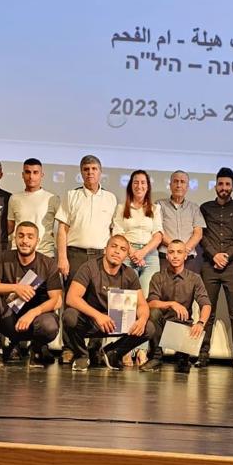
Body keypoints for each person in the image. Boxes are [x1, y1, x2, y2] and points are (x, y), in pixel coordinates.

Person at [55, 154, 118, 361]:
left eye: (94, 169)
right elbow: (62, 229)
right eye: (86, 169)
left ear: (100, 172)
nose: (90, 172)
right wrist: (62, 258)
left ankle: (95, 347)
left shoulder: (110, 198)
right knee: (71, 301)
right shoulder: (71, 195)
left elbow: (113, 232)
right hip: (75, 254)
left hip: (101, 256)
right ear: (81, 172)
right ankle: (69, 347)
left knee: (99, 300)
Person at [0, 221, 62, 368]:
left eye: (30, 237)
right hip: (10, 319)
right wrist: (15, 288)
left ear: (37, 241)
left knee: (49, 325)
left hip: (37, 322)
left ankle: (37, 349)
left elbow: (57, 300)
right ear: (15, 238)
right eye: (21, 236)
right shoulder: (5, 258)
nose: (25, 241)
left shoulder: (48, 264)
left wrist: (33, 312)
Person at [62, 234, 153, 372]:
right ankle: (82, 355)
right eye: (114, 246)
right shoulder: (89, 267)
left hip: (115, 322)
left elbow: (142, 305)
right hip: (92, 321)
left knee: (149, 327)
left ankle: (113, 352)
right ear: (105, 249)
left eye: (122, 249)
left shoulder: (129, 273)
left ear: (126, 256)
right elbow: (72, 298)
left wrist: (142, 320)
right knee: (70, 316)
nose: (117, 251)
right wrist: (98, 316)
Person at [198, 167, 233, 369]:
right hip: (210, 265)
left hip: (231, 266)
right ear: (215, 186)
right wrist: (214, 255)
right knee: (207, 312)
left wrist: (226, 256)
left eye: (228, 184)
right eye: (221, 184)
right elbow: (202, 236)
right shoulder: (205, 208)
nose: (224, 187)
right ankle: (202, 354)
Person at [113, 169, 163, 365]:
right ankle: (125, 349)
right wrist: (132, 252)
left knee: (145, 303)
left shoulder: (155, 208)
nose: (139, 186)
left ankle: (141, 349)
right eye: (136, 182)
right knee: (126, 304)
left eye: (143, 182)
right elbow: (118, 233)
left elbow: (158, 235)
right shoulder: (121, 208)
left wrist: (143, 253)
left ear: (148, 186)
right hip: (127, 255)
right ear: (130, 185)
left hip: (150, 257)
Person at [139, 239, 212, 373]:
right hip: (163, 324)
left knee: (183, 368)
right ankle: (156, 357)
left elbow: (206, 304)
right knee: (153, 312)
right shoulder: (158, 277)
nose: (175, 256)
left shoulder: (194, 278)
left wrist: (201, 323)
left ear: (185, 255)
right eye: (171, 252)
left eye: (179, 252)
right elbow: (151, 303)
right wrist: (172, 304)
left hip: (183, 325)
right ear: (167, 256)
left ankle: (182, 357)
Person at [7, 158, 59, 257]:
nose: (31, 176)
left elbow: (62, 229)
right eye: (27, 172)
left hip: (44, 253)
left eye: (35, 172)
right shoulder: (14, 198)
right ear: (22, 175)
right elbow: (10, 227)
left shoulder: (52, 198)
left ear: (41, 175)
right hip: (18, 253)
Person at [157, 170, 204, 273]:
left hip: (189, 259)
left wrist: (183, 250)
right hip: (165, 257)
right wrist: (176, 250)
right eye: (175, 181)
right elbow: (158, 231)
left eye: (182, 182)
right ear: (170, 185)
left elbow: (198, 233)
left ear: (187, 186)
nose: (178, 185)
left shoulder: (194, 208)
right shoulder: (160, 205)